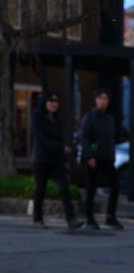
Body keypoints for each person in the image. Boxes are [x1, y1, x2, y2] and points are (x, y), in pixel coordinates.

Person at [31, 92, 83, 230]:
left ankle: (71, 219)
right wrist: (61, 147)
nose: (54, 104)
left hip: (56, 161)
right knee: (40, 189)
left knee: (64, 188)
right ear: (45, 102)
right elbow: (41, 139)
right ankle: (37, 219)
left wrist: (64, 159)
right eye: (51, 101)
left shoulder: (57, 119)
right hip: (41, 159)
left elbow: (60, 140)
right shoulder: (37, 117)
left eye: (56, 101)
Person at [79, 88, 123, 230]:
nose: (104, 101)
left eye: (106, 99)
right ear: (96, 100)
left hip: (107, 158)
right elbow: (85, 138)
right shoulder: (90, 117)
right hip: (93, 158)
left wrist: (112, 154)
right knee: (91, 188)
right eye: (101, 98)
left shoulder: (109, 119)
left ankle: (110, 216)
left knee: (115, 184)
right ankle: (89, 218)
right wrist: (90, 154)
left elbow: (110, 139)